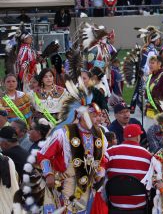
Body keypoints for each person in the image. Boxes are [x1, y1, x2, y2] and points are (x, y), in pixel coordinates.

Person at [36, 84, 108, 213]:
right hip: (64, 185)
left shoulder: (100, 135)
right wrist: (49, 174)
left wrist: (100, 171)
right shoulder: (63, 133)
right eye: (95, 116)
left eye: (100, 116)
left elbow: (103, 159)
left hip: (87, 186)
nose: (99, 119)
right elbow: (43, 154)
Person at [106, 124, 152, 210]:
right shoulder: (147, 155)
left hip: (115, 204)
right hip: (139, 206)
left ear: (124, 137)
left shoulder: (110, 152)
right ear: (138, 137)